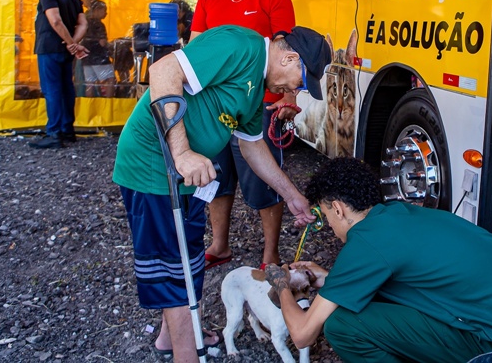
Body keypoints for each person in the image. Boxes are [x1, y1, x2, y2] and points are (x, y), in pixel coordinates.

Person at [113, 24, 331, 363]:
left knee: (190, 257)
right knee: (175, 265)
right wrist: (182, 153)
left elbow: (253, 146)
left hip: (189, 176)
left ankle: (171, 337)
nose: (296, 90)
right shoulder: (237, 45)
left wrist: (291, 195)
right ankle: (187, 354)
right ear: (290, 58)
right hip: (153, 166)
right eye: (301, 82)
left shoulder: (256, 88)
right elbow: (162, 71)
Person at [265, 157, 492, 363]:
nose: (330, 225)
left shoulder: (366, 241)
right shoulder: (398, 216)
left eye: (327, 217)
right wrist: (330, 279)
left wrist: (280, 284)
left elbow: (302, 334)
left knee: (341, 326)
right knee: (370, 301)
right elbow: (407, 279)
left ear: (338, 209)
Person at [190, 0, 298, 268]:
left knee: (263, 181)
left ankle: (271, 254)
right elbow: (195, 47)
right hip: (212, 105)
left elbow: (286, 52)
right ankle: (220, 245)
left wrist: (288, 96)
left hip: (260, 104)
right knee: (215, 179)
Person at [29, 0, 88, 149]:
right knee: (66, 88)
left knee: (52, 89)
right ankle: (67, 130)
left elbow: (54, 20)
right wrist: (74, 44)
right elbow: (83, 24)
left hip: (49, 47)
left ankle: (53, 133)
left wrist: (72, 43)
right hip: (65, 51)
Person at [81, 0, 115, 97]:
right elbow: (102, 42)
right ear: (97, 10)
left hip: (86, 58)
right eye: (104, 10)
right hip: (99, 58)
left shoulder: (84, 23)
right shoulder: (99, 24)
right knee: (110, 79)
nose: (106, 13)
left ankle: (89, 105)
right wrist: (110, 45)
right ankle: (108, 104)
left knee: (89, 84)